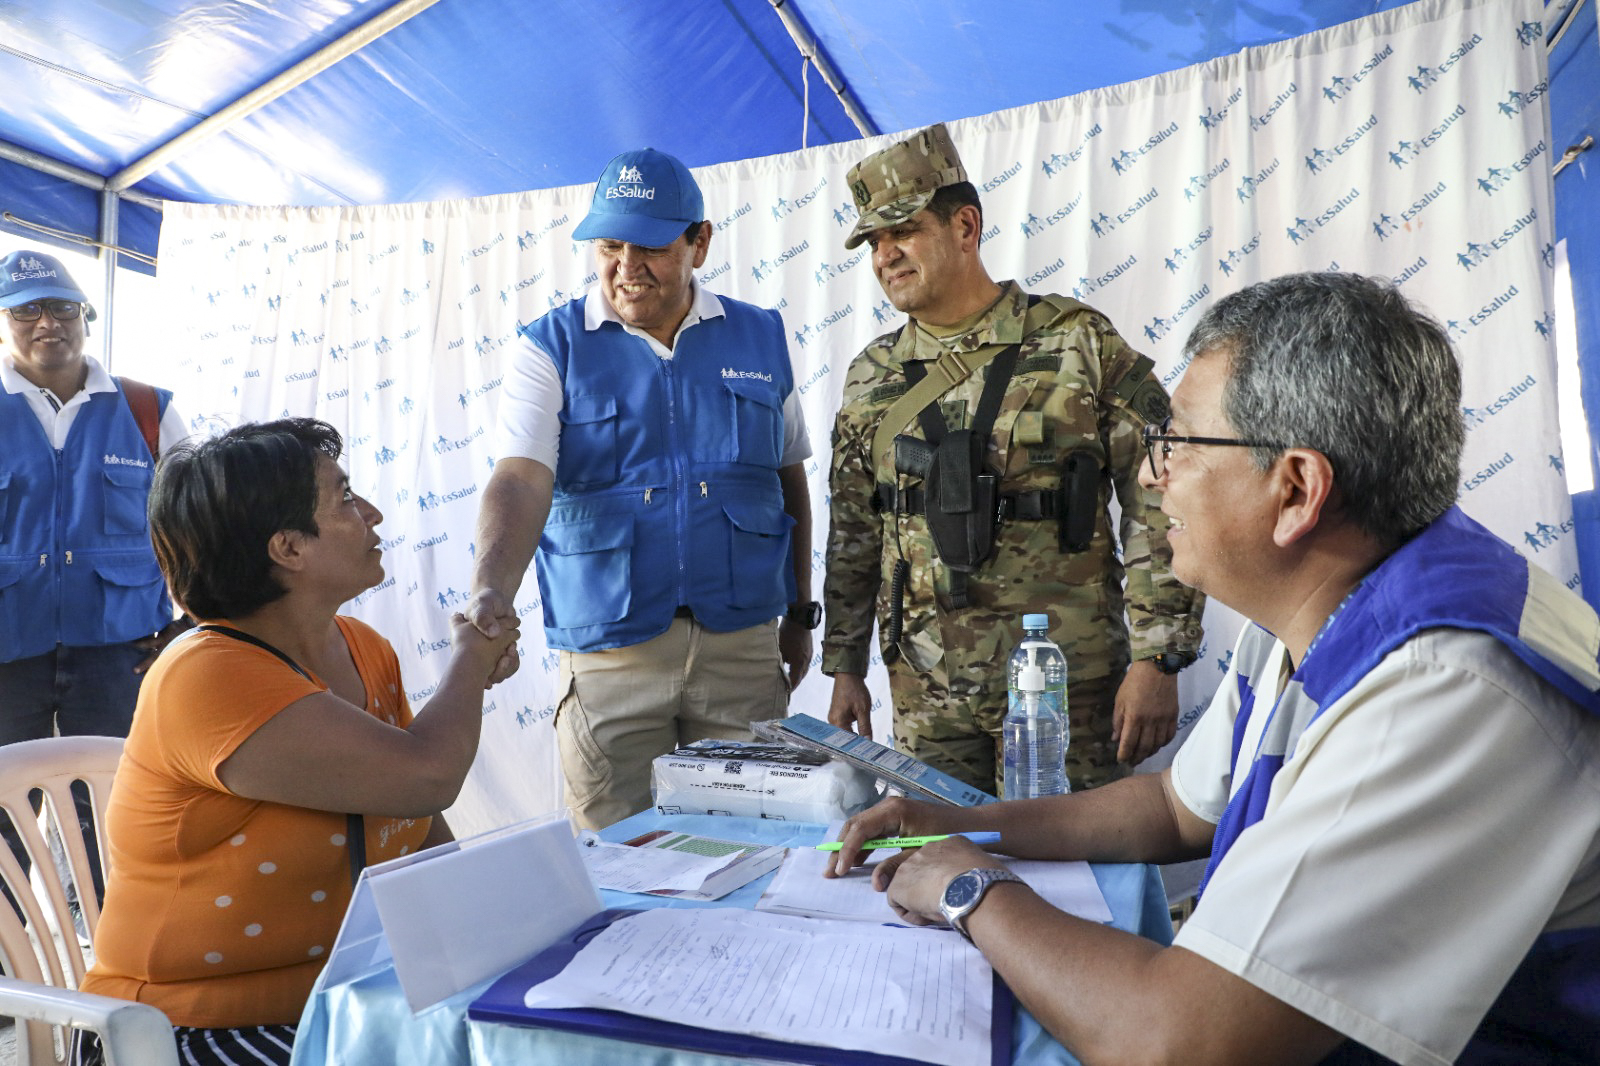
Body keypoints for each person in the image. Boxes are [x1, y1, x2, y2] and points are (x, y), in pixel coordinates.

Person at [825, 272, 1600, 1064]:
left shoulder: (1445, 686)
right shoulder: (1333, 598)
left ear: (1295, 489)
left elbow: (1179, 1046)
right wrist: (964, 825)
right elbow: (1174, 808)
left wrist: (973, 889)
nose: (1154, 474)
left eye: (1181, 442)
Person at [79, 418, 517, 1065]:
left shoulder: (365, 651)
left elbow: (418, 823)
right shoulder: (206, 676)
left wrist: (499, 929)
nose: (371, 513)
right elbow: (426, 775)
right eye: (343, 498)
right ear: (287, 547)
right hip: (186, 1033)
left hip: (348, 1008)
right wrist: (469, 663)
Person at [823, 124, 1203, 795]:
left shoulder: (1078, 343)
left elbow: (1163, 497)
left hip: (1063, 683)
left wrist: (1160, 660)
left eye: (902, 231)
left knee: (1072, 872)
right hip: (925, 688)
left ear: (964, 225)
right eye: (874, 242)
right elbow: (854, 529)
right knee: (937, 868)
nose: (886, 256)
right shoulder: (871, 375)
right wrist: (845, 667)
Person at [467, 148, 815, 830]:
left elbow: (787, 476)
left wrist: (801, 611)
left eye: (650, 246)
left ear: (699, 242)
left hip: (740, 645)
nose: (627, 268)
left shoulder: (761, 336)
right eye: (609, 245)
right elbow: (520, 477)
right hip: (609, 659)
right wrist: (490, 590)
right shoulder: (550, 347)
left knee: (753, 845)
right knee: (621, 857)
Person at [0, 248, 189, 910]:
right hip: (6, 654)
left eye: (61, 307)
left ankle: (111, 968)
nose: (46, 322)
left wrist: (189, 625)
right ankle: (9, 981)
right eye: (25, 311)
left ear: (88, 317)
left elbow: (199, 523)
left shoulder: (147, 411)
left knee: (114, 811)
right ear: (4, 325)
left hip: (120, 651)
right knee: (2, 822)